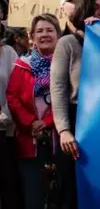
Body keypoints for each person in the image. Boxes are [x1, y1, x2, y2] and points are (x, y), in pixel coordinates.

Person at [51, 0, 100, 209]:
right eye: (96, 8)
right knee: (72, 187)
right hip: (78, 121)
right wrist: (64, 130)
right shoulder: (68, 44)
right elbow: (58, 89)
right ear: (85, 9)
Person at [7, 14, 61, 209]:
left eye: (49, 30)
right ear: (31, 37)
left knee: (61, 193)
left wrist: (47, 122)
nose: (44, 35)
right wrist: (30, 123)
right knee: (33, 194)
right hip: (29, 139)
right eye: (39, 31)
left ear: (58, 34)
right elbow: (12, 97)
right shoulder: (22, 65)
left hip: (61, 138)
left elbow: (68, 98)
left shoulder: (66, 64)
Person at [0, 22, 21, 209]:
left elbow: (15, 90)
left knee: (8, 183)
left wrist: (3, 116)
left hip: (5, 130)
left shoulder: (8, 53)